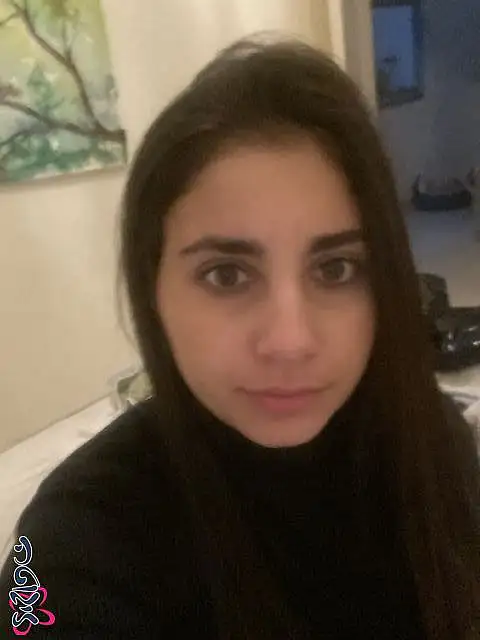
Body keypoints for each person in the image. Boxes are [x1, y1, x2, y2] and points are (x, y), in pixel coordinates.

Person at [1, 36, 479, 639]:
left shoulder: (436, 442)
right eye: (226, 275)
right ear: (153, 290)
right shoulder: (67, 543)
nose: (290, 340)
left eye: (336, 269)